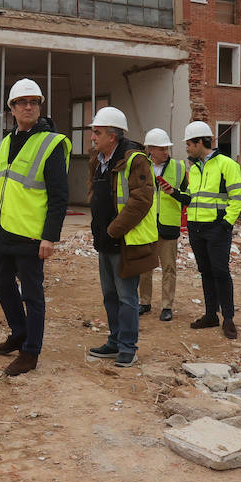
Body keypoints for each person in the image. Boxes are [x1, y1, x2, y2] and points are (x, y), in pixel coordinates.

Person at [0, 79, 69, 377]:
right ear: (12, 108)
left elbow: (59, 195)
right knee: (2, 284)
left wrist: (50, 236)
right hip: (6, 229)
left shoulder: (52, 143)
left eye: (34, 101)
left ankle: (30, 352)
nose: (29, 106)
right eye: (23, 102)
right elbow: (2, 188)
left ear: (40, 106)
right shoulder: (7, 142)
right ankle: (19, 332)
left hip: (33, 234)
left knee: (32, 295)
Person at [86, 107, 158, 367]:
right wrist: (98, 231)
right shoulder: (99, 160)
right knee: (109, 294)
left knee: (127, 298)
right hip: (105, 240)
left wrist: (113, 231)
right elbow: (96, 196)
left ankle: (128, 347)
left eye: (97, 132)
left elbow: (141, 201)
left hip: (125, 241)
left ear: (112, 136)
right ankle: (114, 341)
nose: (92, 137)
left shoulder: (135, 160)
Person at [183, 120, 241, 339]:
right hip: (196, 227)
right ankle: (211, 315)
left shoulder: (227, 165)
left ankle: (228, 318)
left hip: (217, 228)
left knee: (221, 272)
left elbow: (238, 198)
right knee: (206, 272)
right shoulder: (195, 167)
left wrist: (226, 224)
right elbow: (194, 197)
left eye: (189, 143)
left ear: (201, 142)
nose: (187, 147)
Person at [138, 128, 189, 322]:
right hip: (147, 224)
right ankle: (144, 302)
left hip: (168, 226)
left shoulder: (179, 167)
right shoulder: (141, 166)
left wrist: (173, 192)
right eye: (161, 148)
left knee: (169, 268)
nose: (166, 152)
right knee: (144, 267)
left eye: (167, 148)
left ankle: (167, 306)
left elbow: (188, 197)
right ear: (150, 149)